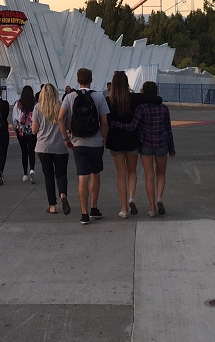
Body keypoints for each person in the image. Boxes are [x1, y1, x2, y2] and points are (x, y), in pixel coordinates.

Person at [108, 81, 175, 217]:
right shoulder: (164, 109)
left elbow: (133, 126)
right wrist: (171, 147)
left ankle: (151, 209)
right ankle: (159, 198)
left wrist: (115, 124)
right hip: (162, 144)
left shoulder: (142, 108)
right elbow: (168, 128)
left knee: (149, 176)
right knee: (161, 174)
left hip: (146, 145)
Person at [58, 67, 109, 225]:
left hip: (78, 142)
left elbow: (60, 118)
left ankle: (84, 213)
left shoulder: (70, 97)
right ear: (91, 80)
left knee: (82, 177)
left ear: (78, 80)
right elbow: (105, 122)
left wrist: (66, 137)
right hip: (95, 142)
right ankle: (94, 208)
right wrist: (104, 139)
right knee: (95, 174)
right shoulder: (99, 97)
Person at [105, 71, 141, 218]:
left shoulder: (109, 101)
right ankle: (132, 197)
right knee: (132, 171)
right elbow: (156, 99)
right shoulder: (134, 98)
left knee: (121, 174)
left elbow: (105, 121)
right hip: (132, 138)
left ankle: (124, 209)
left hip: (115, 139)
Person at [32, 84, 71, 215]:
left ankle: (52, 206)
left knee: (48, 176)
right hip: (60, 145)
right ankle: (63, 195)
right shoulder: (62, 106)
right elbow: (68, 125)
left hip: (43, 147)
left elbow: (34, 129)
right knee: (61, 174)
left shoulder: (38, 107)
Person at [14, 85, 37, 183]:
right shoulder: (35, 104)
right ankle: (32, 169)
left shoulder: (18, 104)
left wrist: (16, 129)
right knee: (32, 151)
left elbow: (15, 118)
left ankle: (25, 174)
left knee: (24, 152)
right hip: (32, 131)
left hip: (21, 131)